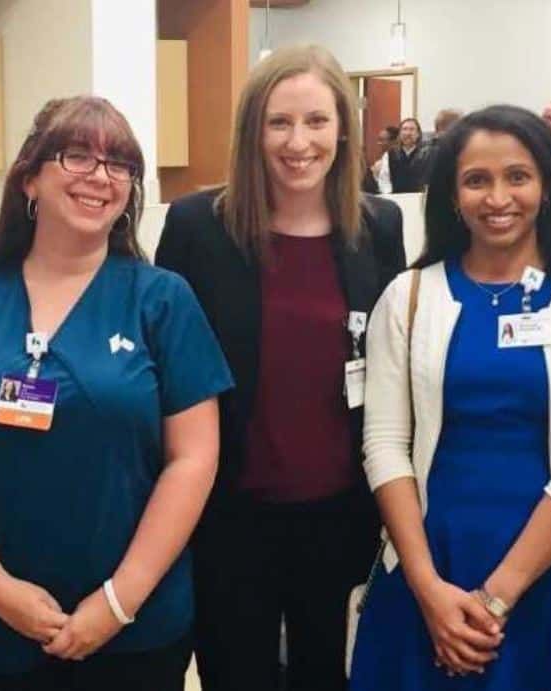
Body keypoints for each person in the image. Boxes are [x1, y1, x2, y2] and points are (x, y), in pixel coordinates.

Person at [351, 104, 551, 691]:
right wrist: (429, 588)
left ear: (548, 187)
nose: (498, 196)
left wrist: (495, 600)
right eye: (476, 180)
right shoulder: (409, 296)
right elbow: (385, 446)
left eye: (518, 176)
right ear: (452, 196)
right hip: (428, 568)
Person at [155, 45, 405, 691]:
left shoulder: (378, 227)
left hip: (342, 515)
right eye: (279, 122)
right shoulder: (196, 228)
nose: (300, 142)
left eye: (317, 121)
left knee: (329, 675)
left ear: (343, 129)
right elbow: (163, 375)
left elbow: (395, 368)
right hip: (230, 518)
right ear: (252, 130)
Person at [0, 96, 232, 690]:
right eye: (78, 156)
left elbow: (193, 459)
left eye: (120, 164)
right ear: (30, 176)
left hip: (135, 630)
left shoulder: (162, 300)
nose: (100, 176)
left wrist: (118, 603)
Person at [389, 117, 429, 193]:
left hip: (418, 196)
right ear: (400, 133)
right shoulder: (391, 154)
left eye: (412, 129)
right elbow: (385, 179)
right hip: (397, 197)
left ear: (418, 134)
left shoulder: (426, 153)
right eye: (404, 129)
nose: (408, 133)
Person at [369, 125, 400, 194]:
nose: (378, 143)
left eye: (381, 140)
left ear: (394, 142)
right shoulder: (379, 163)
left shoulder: (400, 161)